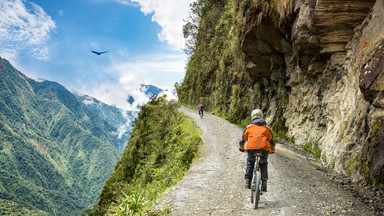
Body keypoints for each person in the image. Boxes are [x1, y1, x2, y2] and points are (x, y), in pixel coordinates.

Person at [239, 109, 275, 192]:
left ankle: (247, 181)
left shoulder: (249, 127)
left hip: (251, 148)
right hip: (264, 148)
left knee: (250, 162)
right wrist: (272, 150)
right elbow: (271, 142)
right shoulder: (267, 128)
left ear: (252, 117)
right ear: (261, 117)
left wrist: (241, 148)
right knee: (263, 163)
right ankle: (264, 183)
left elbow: (243, 140)